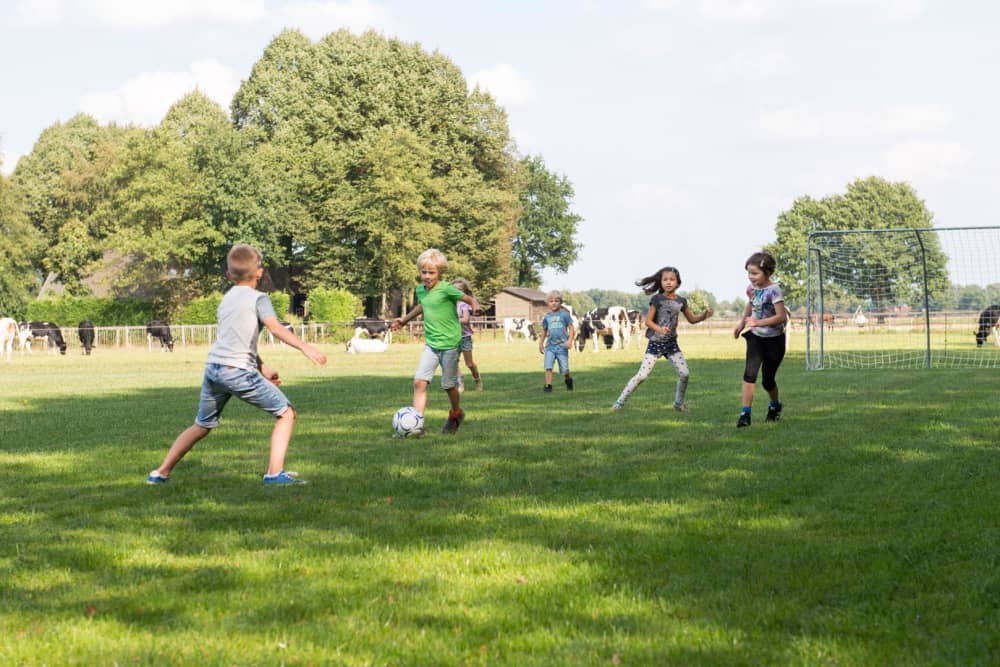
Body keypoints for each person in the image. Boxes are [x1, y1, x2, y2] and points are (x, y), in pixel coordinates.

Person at [146, 244, 328, 486]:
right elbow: (275, 327)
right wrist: (306, 347)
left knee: (202, 425)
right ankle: (274, 474)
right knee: (286, 413)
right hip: (237, 371)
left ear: (229, 275)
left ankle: (160, 473)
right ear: (260, 272)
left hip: (214, 369)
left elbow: (236, 340)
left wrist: (262, 368)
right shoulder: (259, 298)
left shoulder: (227, 300)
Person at [391, 249, 480, 435]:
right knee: (419, 382)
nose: (427, 276)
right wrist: (404, 320)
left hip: (450, 345)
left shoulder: (447, 288)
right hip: (431, 345)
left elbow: (468, 299)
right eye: (424, 272)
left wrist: (476, 306)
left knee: (448, 385)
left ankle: (456, 414)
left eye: (431, 272)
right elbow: (422, 306)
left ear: (440, 272)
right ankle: (417, 426)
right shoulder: (421, 290)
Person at [611, 266, 712, 411]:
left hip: (671, 344)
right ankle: (619, 403)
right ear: (661, 282)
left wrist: (704, 316)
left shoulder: (682, 301)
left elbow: (692, 320)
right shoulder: (657, 299)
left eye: (672, 279)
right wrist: (659, 329)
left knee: (684, 374)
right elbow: (648, 321)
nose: (668, 282)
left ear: (678, 282)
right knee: (642, 376)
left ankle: (678, 404)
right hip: (655, 343)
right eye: (665, 280)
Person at [733, 250, 787, 428]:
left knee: (767, 381)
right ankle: (745, 414)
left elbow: (781, 317)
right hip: (756, 338)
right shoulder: (751, 289)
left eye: (755, 273)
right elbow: (750, 305)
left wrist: (758, 322)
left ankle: (775, 406)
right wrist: (741, 324)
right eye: (749, 273)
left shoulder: (774, 290)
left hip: (775, 341)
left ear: (767, 272)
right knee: (749, 375)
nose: (751, 277)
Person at [538, 291, 576, 392]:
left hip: (562, 346)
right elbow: (544, 330)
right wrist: (541, 344)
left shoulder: (565, 315)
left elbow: (571, 328)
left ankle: (568, 380)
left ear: (560, 302)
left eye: (556, 301)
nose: (554, 303)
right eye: (551, 301)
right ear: (548, 303)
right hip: (550, 346)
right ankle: (548, 386)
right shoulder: (547, 317)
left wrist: (569, 341)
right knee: (548, 366)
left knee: (564, 369)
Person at [452, 277, 483, 392]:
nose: (457, 292)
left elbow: (465, 320)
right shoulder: (448, 304)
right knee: (453, 362)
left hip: (464, 337)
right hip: (452, 337)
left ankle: (477, 379)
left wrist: (451, 321)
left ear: (464, 291)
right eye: (454, 289)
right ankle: (460, 382)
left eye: (460, 289)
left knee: (469, 364)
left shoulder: (464, 304)